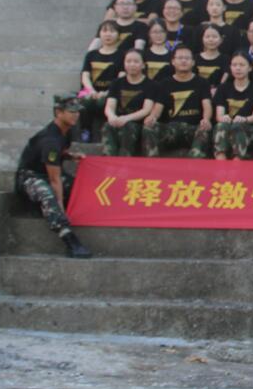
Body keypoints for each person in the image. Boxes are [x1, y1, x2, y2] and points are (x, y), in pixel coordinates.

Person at [15, 96, 91, 258]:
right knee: (49, 196)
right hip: (30, 177)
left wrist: (69, 155)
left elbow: (57, 153)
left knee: (79, 186)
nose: (76, 115)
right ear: (58, 112)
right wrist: (60, 207)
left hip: (47, 172)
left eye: (77, 112)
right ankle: (70, 239)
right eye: (71, 112)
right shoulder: (50, 140)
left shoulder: (65, 130)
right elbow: (54, 180)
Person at [143, 46, 213, 158]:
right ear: (173, 61)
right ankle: (153, 163)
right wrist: (152, 117)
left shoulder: (202, 83)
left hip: (193, 128)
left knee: (204, 130)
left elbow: (207, 105)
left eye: (187, 58)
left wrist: (206, 119)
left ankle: (194, 164)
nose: (183, 61)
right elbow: (158, 108)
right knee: (149, 128)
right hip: (171, 128)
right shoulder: (164, 83)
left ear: (193, 62)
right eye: (180, 58)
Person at [101, 49, 158, 156]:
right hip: (118, 121)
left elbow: (146, 110)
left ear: (143, 65)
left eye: (136, 61)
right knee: (107, 126)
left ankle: (124, 159)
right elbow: (109, 106)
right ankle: (108, 160)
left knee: (128, 127)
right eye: (128, 61)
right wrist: (112, 116)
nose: (132, 64)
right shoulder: (116, 83)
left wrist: (126, 118)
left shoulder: (151, 84)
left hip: (136, 123)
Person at [212, 53, 253, 160]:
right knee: (220, 126)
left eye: (242, 65)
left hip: (249, 128)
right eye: (234, 65)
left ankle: (237, 161)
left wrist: (245, 119)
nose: (238, 68)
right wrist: (223, 118)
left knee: (237, 126)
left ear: (250, 68)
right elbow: (219, 115)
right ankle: (220, 160)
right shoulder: (223, 88)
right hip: (228, 126)